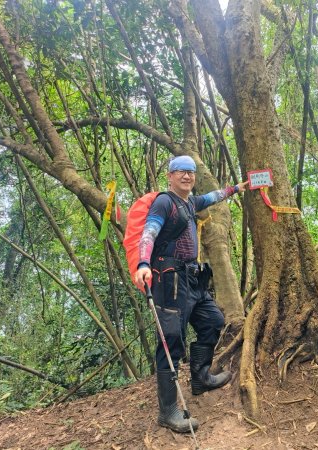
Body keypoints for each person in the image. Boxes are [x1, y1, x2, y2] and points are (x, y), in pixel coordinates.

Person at [134, 155, 248, 433]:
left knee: (213, 321)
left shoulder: (190, 202)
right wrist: (143, 263)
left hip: (193, 278)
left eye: (191, 172)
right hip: (169, 280)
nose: (187, 176)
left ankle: (201, 377)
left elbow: (212, 197)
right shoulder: (165, 202)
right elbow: (149, 232)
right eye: (181, 172)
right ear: (170, 176)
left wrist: (236, 188)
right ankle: (169, 411)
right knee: (171, 338)